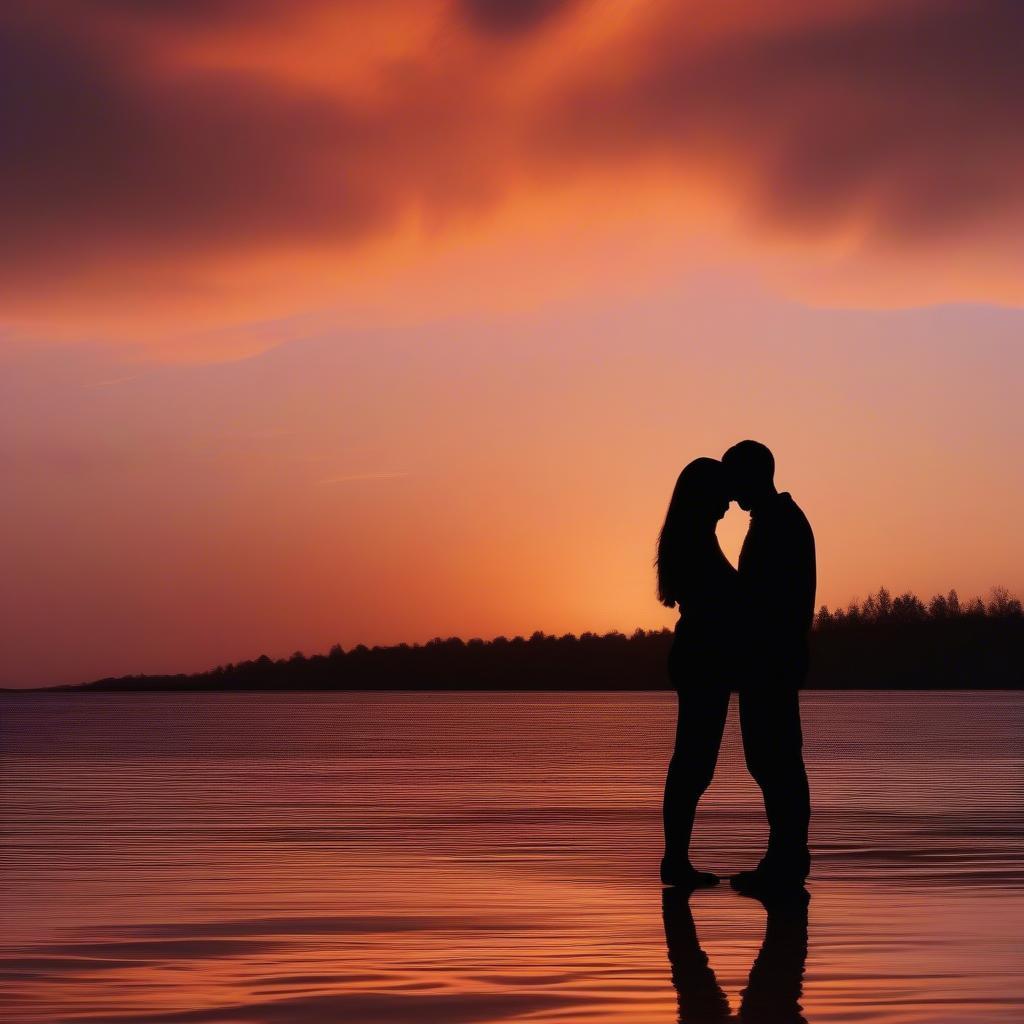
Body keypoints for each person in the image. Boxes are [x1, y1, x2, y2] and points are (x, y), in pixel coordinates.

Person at [722, 440, 814, 891]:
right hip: (770, 658)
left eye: (734, 477)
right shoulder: (776, 520)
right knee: (771, 759)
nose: (730, 490)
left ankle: (788, 858)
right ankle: (785, 855)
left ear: (754, 475)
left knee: (775, 759)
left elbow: (770, 600)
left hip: (771, 659)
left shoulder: (779, 523)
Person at [656, 457, 738, 888]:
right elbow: (724, 597)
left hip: (700, 655)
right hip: (702, 657)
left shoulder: (694, 536)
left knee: (693, 761)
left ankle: (676, 859)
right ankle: (675, 861)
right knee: (693, 762)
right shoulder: (696, 541)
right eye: (722, 495)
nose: (728, 504)